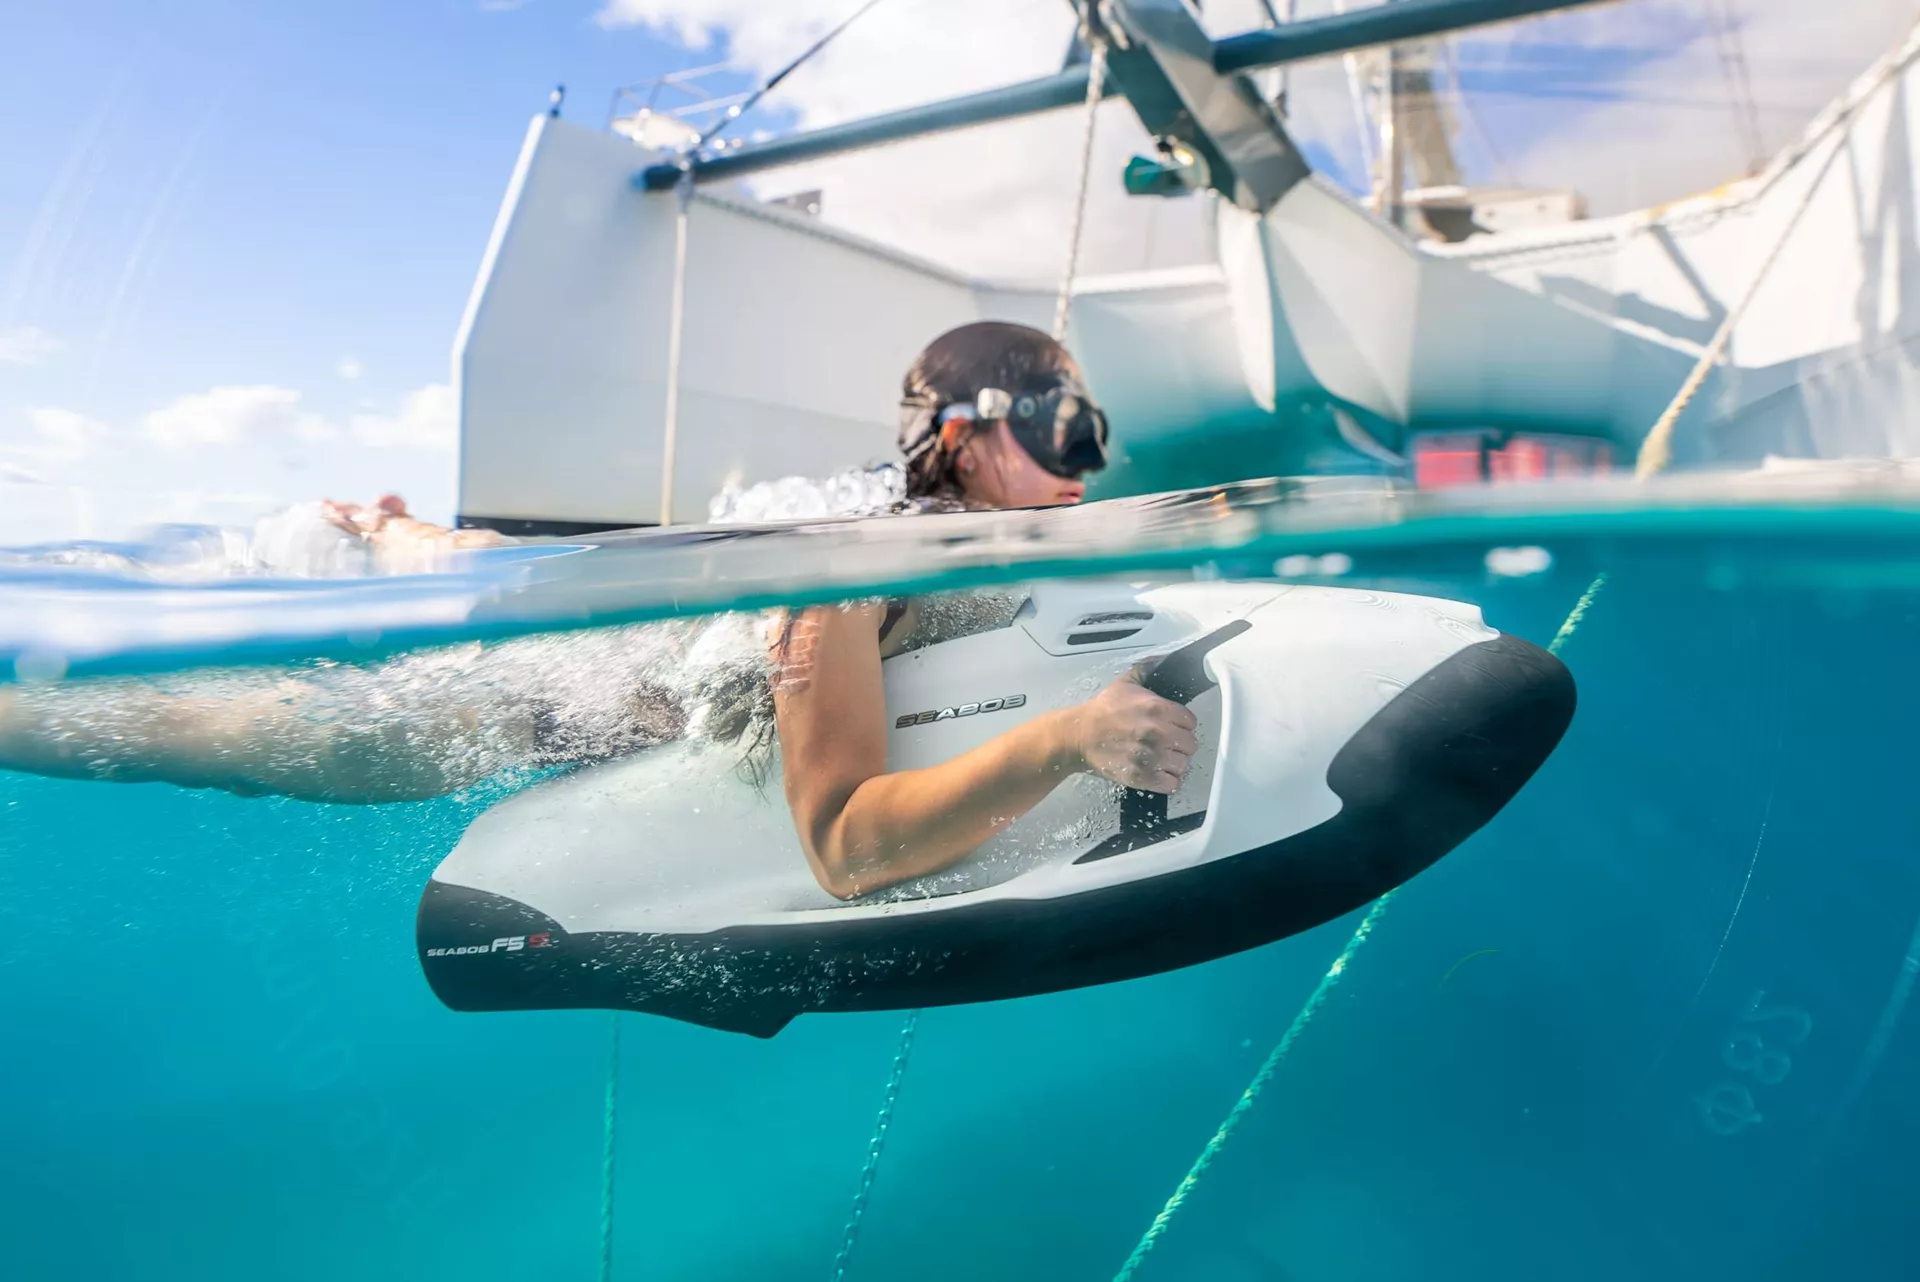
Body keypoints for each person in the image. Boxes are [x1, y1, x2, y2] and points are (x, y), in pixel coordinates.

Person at [0, 321, 1197, 900]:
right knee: (180, 729)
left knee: (513, 558)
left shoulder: (956, 542)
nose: (1088, 462)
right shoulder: (848, 570)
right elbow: (842, 846)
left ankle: (385, 532)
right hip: (511, 702)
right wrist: (1062, 740)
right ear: (970, 436)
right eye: (1068, 431)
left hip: (597, 609)